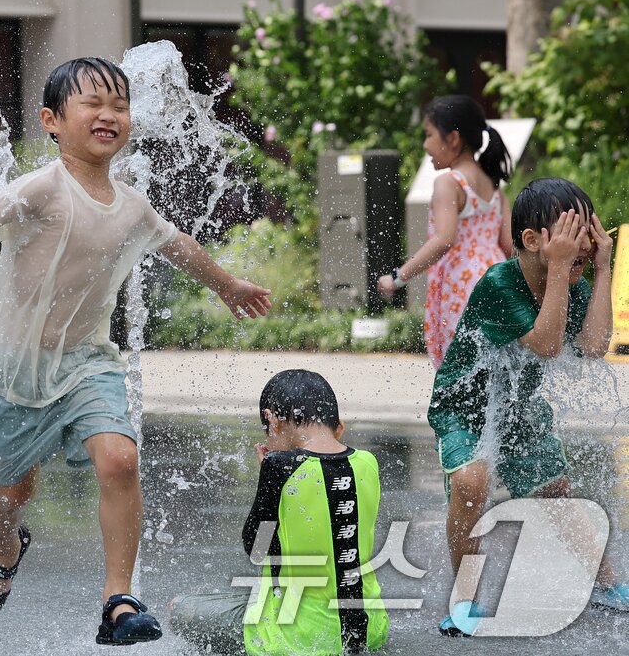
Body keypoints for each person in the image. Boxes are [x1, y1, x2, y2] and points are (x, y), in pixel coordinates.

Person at [0, 57, 272, 645]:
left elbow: (178, 246)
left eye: (120, 106)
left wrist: (228, 285)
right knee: (15, 492)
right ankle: (5, 549)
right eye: (93, 104)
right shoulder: (39, 188)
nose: (109, 115)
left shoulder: (132, 205)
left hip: (88, 362)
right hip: (15, 371)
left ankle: (119, 600)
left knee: (120, 459)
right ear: (52, 121)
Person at [428, 177, 627, 635]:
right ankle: (465, 599)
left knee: (554, 491)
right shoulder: (501, 282)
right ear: (534, 241)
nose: (581, 245)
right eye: (570, 235)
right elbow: (546, 344)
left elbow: (595, 345)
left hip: (518, 405)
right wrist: (560, 271)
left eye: (586, 234)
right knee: (471, 485)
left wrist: (601, 271)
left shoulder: (574, 279)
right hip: (464, 407)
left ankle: (604, 581)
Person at [168, 370, 388, 655]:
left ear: (273, 420)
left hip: (298, 637)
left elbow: (257, 550)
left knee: (178, 608)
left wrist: (267, 476)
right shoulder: (368, 462)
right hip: (370, 630)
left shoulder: (280, 467)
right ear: (339, 427)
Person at [377, 96, 512, 368]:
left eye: (428, 135)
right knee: (496, 370)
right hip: (498, 282)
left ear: (452, 139)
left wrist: (398, 278)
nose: (425, 145)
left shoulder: (449, 183)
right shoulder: (495, 188)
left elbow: (443, 239)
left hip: (463, 287)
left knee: (460, 373)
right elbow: (509, 246)